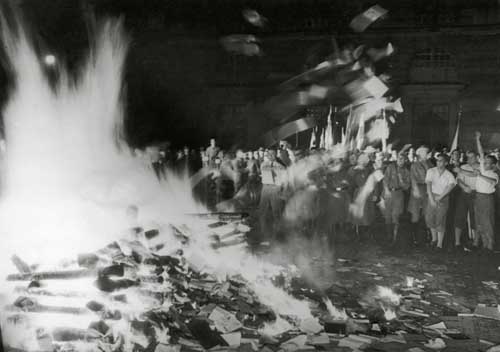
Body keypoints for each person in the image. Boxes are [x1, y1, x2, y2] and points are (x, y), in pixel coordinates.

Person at [472, 132, 498, 252]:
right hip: (478, 197)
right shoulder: (482, 169)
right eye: (484, 161)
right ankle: (480, 242)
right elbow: (481, 153)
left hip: (487, 199)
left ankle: (490, 244)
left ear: (493, 165)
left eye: (487, 162)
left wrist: (480, 175)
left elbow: (492, 181)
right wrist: (478, 139)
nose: (484, 163)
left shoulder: (494, 174)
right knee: (478, 220)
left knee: (487, 221)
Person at [425, 154, 456, 250]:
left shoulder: (449, 174)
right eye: (437, 160)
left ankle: (439, 244)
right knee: (430, 218)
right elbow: (428, 185)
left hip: (443, 198)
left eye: (441, 161)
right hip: (432, 196)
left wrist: (440, 197)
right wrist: (431, 198)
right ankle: (434, 239)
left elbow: (450, 186)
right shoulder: (431, 171)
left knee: (440, 220)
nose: (438, 162)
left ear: (446, 163)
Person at [382, 152, 411, 244]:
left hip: (398, 194)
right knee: (387, 216)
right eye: (399, 158)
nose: (400, 160)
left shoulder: (406, 171)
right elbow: (385, 179)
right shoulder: (391, 167)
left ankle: (394, 238)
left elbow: (406, 187)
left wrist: (401, 180)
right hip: (389, 193)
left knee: (395, 215)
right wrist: (386, 190)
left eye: (402, 159)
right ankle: (388, 237)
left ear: (405, 160)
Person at [453, 150, 479, 250]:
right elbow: (459, 180)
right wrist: (464, 187)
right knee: (459, 216)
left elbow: (475, 174)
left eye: (471, 157)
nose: (469, 159)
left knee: (475, 218)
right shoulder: (464, 166)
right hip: (464, 193)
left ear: (477, 157)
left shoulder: (481, 166)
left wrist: (460, 170)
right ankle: (457, 242)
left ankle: (476, 242)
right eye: (467, 157)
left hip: (476, 194)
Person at [408, 146, 433, 246]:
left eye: (427, 152)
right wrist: (415, 190)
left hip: (428, 190)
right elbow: (413, 178)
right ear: (420, 154)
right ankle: (414, 237)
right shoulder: (415, 165)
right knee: (415, 214)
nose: (427, 154)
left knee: (427, 213)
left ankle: (427, 237)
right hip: (418, 189)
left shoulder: (430, 164)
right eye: (425, 153)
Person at [259, 149, 286, 241]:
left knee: (276, 212)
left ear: (275, 156)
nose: (270, 156)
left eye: (272, 154)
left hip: (275, 189)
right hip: (266, 188)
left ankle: (278, 234)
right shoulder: (264, 164)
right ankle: (263, 232)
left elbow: (283, 178)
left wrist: (280, 189)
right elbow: (264, 169)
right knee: (263, 211)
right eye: (269, 155)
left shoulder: (280, 166)